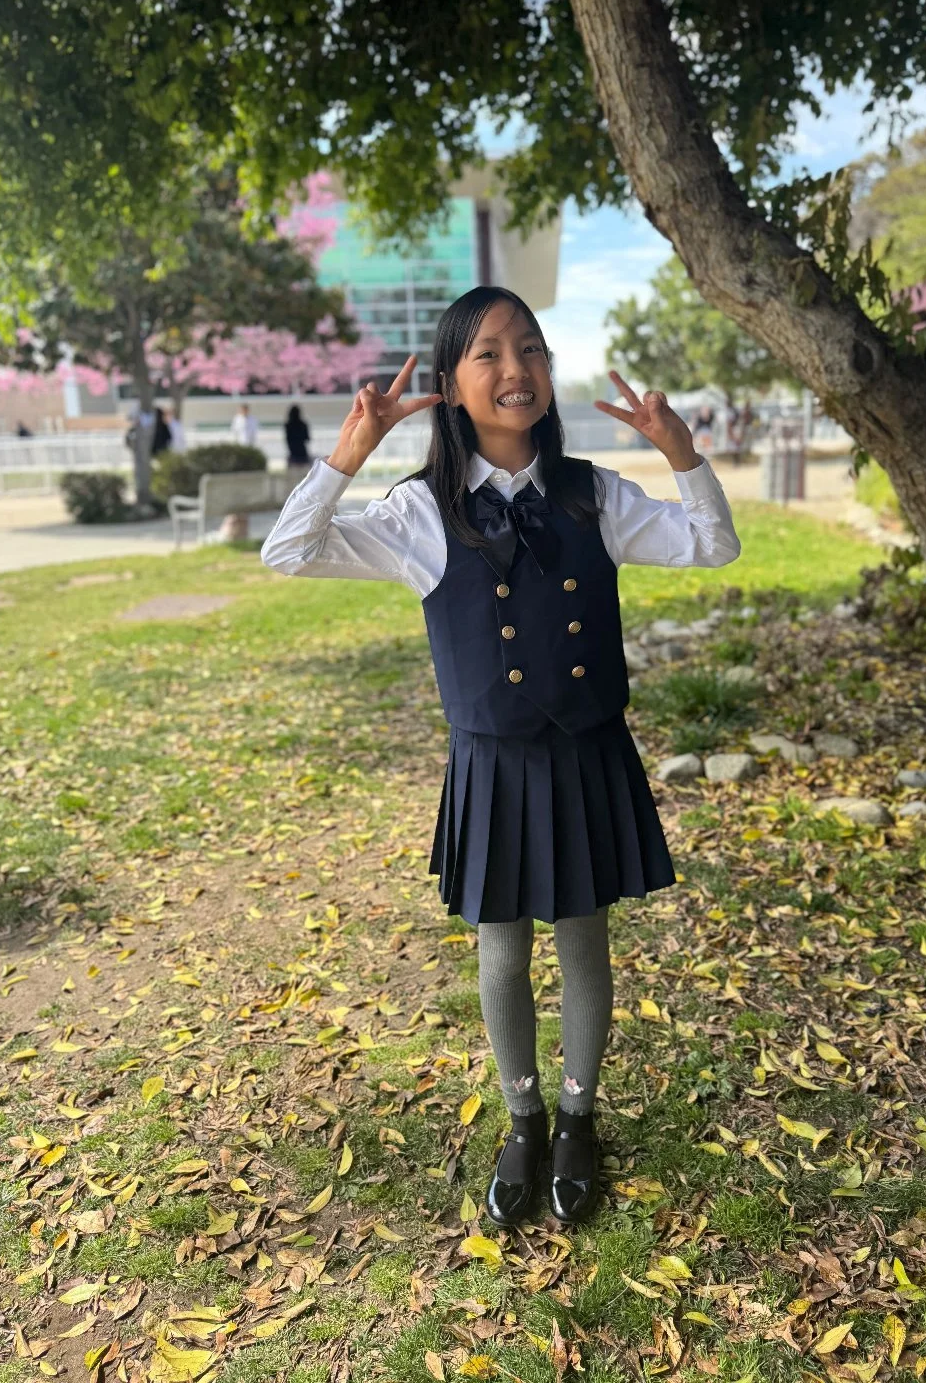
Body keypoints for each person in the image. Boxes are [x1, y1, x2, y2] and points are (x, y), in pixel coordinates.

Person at [260, 286, 741, 1227]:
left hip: (587, 751)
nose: (515, 370)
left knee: (584, 944)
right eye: (488, 354)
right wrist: (348, 456)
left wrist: (681, 453)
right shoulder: (420, 514)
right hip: (494, 762)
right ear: (452, 381)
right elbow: (288, 550)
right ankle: (522, 1118)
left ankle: (576, 1117)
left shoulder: (592, 492)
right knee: (502, 954)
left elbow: (713, 545)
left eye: (530, 350)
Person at [284, 404, 312, 468]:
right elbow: (308, 438)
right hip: (302, 452)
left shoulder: (288, 426)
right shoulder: (303, 425)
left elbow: (287, 439)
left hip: (292, 453)